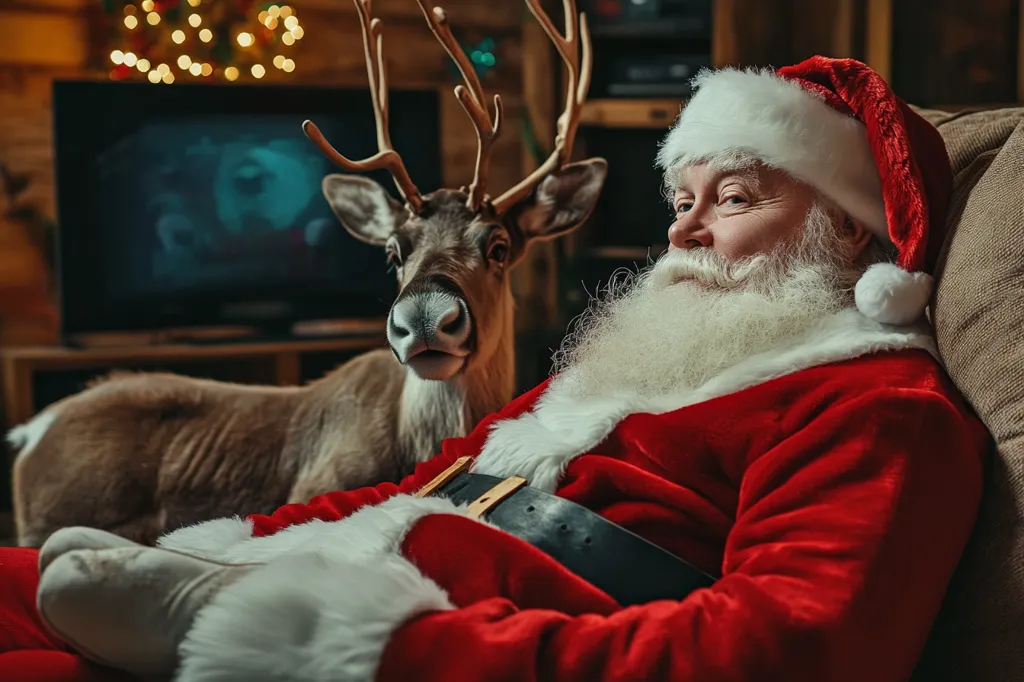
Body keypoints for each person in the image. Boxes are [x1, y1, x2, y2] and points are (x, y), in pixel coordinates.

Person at [0, 56, 991, 682]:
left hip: (355, 635)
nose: (682, 229)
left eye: (728, 197)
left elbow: (787, 652)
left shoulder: (873, 412)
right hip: (302, 575)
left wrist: (343, 641)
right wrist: (217, 549)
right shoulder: (615, 376)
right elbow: (403, 491)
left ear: (844, 228)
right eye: (680, 198)